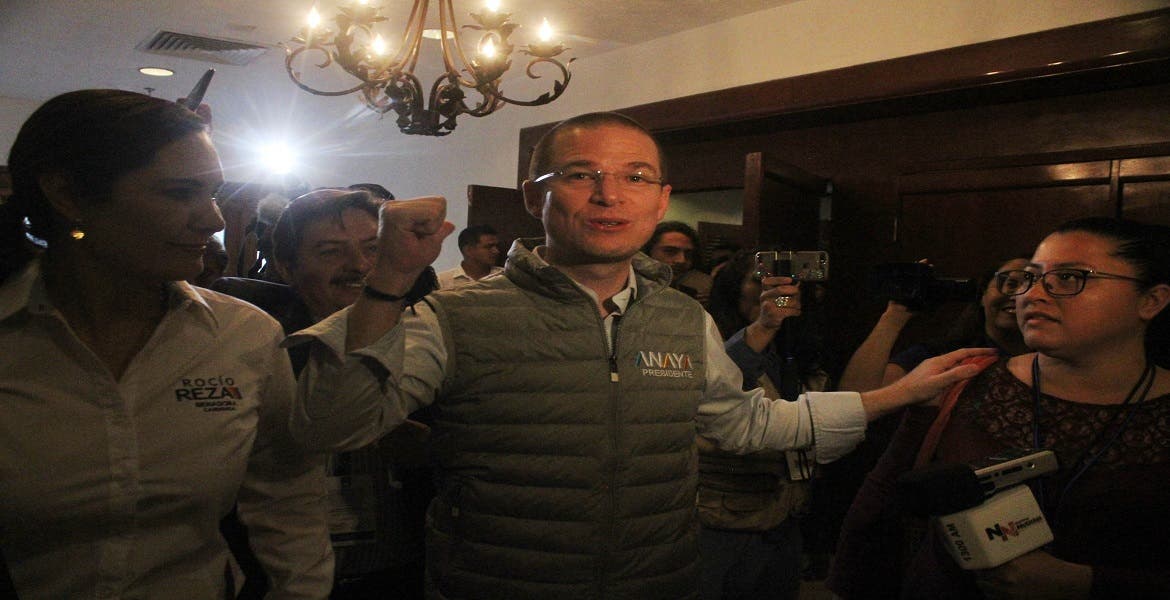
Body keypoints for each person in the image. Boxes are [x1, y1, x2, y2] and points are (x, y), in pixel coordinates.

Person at [288, 111, 993, 599]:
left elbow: (747, 423)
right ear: (534, 198)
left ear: (660, 201)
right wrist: (389, 278)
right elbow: (332, 427)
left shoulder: (682, 317)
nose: (608, 195)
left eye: (634, 177)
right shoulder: (456, 313)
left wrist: (898, 394)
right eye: (580, 174)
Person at [0, 89, 332, 598]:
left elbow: (287, 499)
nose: (214, 220)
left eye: (213, 194)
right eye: (180, 193)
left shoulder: (243, 335)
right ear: (67, 196)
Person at [828, 217, 1170, 599]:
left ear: (1151, 300)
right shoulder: (962, 378)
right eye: (1031, 278)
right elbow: (881, 504)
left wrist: (1084, 583)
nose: (1033, 294)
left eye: (1069, 277)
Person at [215, 188, 431, 599]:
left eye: (373, 248)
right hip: (274, 576)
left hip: (403, 572)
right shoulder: (254, 352)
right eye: (331, 251)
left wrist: (433, 448)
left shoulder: (426, 339)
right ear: (286, 266)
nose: (360, 265)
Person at [699, 249, 832, 600]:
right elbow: (716, 387)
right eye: (761, 281)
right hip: (723, 519)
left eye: (788, 282)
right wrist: (765, 325)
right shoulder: (706, 335)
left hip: (785, 514)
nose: (774, 290)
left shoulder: (798, 349)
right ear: (734, 288)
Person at [838, 257, 1032, 393]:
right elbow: (856, 399)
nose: (1019, 295)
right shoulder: (943, 357)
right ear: (982, 295)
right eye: (1010, 283)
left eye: (1031, 287)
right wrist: (895, 314)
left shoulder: (1049, 361)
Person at [643, 220, 715, 306]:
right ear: (648, 251)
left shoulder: (691, 294)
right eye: (670, 251)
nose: (681, 260)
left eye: (688, 254)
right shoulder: (633, 290)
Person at [435, 224, 503, 288]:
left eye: (497, 246)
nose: (496, 251)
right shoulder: (442, 281)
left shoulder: (504, 277)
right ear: (468, 250)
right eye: (488, 247)